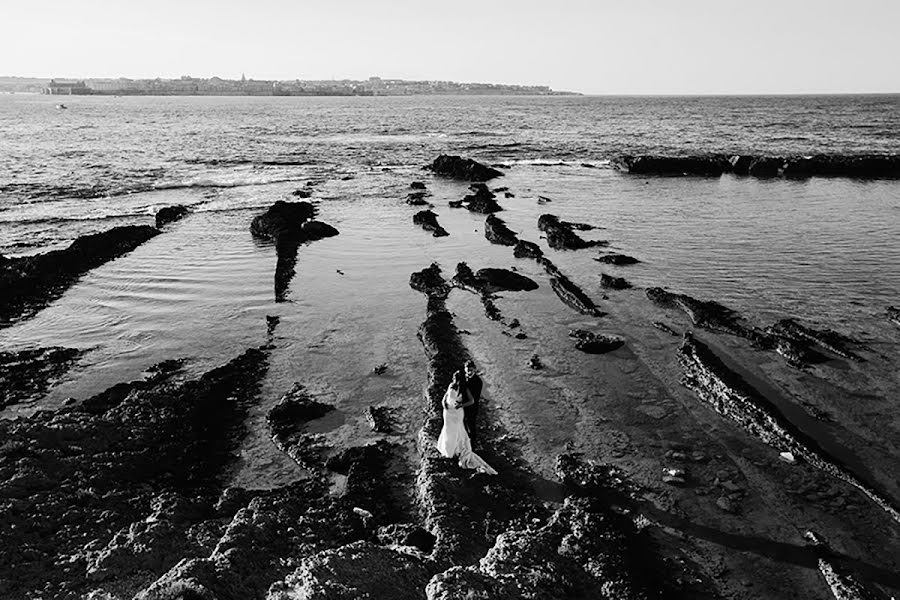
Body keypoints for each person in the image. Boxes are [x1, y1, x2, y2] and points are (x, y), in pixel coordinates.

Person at [436, 370, 496, 475]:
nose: (454, 380)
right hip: (448, 412)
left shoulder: (464, 389)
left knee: (456, 430)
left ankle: (456, 449)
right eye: (454, 378)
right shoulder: (451, 385)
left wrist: (460, 405)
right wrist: (444, 404)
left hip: (457, 413)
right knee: (448, 429)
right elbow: (445, 397)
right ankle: (450, 449)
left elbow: (471, 401)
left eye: (456, 379)